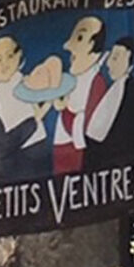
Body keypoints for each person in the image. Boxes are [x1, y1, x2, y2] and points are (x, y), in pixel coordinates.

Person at [0, 36, 49, 186]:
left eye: (9, 56)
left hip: (41, 155)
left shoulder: (29, 82)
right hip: (15, 166)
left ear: (19, 57)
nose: (5, 64)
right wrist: (33, 121)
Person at [53, 16, 107, 175]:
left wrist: (65, 112)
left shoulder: (96, 83)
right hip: (61, 153)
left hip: (78, 156)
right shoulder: (71, 80)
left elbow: (89, 128)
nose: (68, 47)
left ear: (92, 44)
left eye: (80, 38)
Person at [85, 37, 134, 169]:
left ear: (128, 58)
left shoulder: (132, 91)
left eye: (115, 58)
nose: (109, 64)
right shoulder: (113, 89)